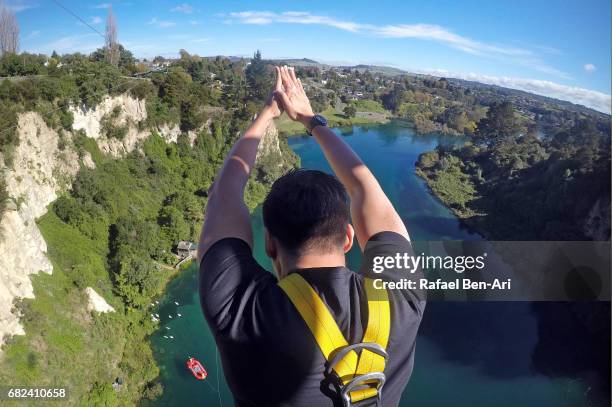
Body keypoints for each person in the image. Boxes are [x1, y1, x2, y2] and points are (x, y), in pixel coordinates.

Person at [198, 66, 424, 407]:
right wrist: (310, 119)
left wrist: (266, 115)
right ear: (348, 238)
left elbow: (223, 196)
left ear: (269, 243)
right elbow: (365, 187)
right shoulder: (402, 298)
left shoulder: (240, 311)